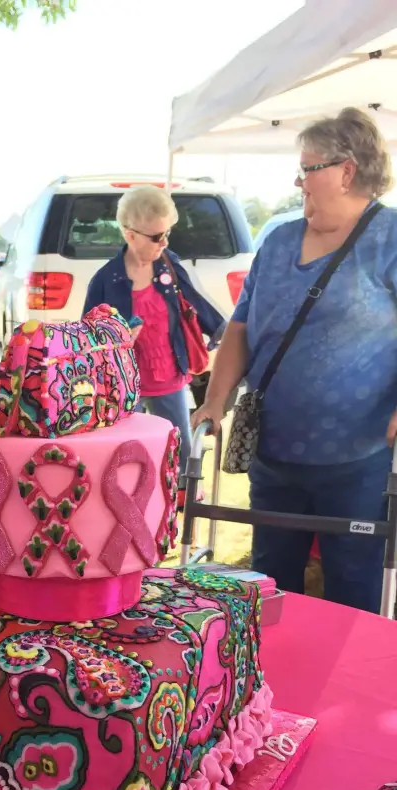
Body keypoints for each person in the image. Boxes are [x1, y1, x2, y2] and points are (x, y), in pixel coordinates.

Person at [193, 107, 397, 614]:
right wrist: (215, 401)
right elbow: (241, 326)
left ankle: (349, 692)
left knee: (353, 589)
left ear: (346, 171)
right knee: (271, 586)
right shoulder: (279, 240)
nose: (299, 180)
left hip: (357, 458)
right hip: (274, 450)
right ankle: (269, 689)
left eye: (308, 168)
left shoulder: (390, 239)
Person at [83, 186, 224, 497]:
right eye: (156, 236)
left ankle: (184, 516)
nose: (165, 242)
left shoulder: (168, 265)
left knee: (182, 452)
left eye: (167, 233)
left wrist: (224, 334)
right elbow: (87, 338)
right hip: (124, 385)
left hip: (167, 374)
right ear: (130, 234)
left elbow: (195, 304)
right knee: (127, 456)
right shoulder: (106, 279)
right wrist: (117, 337)